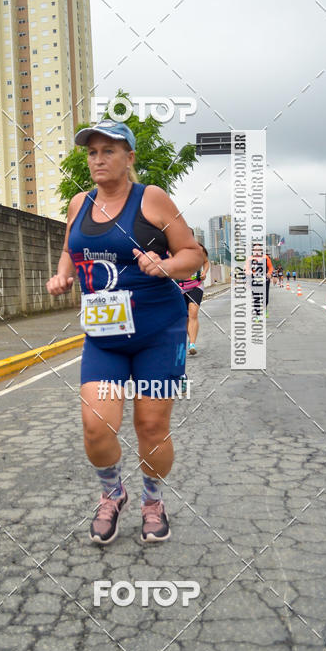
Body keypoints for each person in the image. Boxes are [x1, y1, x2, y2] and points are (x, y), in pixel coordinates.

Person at [46, 120, 203, 545]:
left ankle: (153, 501)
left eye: (108, 151)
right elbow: (68, 249)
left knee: (150, 426)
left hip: (159, 332)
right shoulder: (79, 202)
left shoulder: (150, 198)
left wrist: (166, 265)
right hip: (104, 338)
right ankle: (113, 493)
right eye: (92, 152)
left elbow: (194, 252)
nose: (98, 158)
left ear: (129, 158)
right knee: (96, 426)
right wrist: (62, 276)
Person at [177, 242, 210, 355]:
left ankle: (192, 344)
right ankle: (191, 338)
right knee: (185, 316)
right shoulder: (175, 249)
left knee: (193, 312)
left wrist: (204, 272)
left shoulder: (199, 249)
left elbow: (205, 262)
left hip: (196, 285)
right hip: (180, 287)